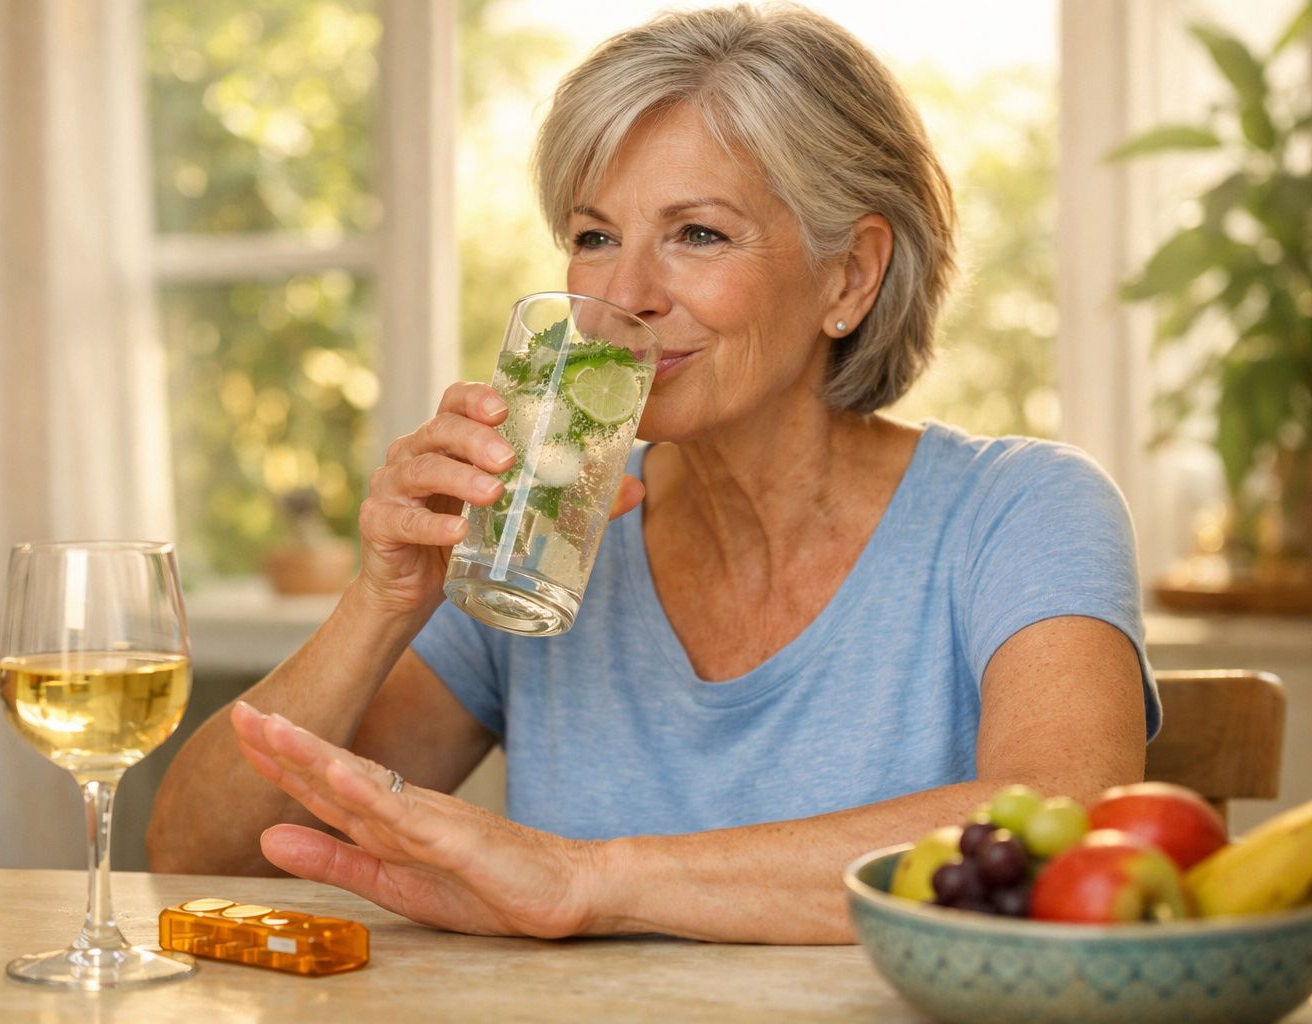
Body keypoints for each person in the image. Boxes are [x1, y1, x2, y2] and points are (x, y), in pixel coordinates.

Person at [148, 3, 1157, 944]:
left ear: (848, 275)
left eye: (698, 234)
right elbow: (202, 858)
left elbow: (1061, 821)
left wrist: (591, 880)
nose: (624, 293)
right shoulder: (542, 530)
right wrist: (382, 597)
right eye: (594, 237)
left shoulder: (1021, 509)